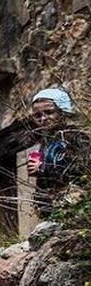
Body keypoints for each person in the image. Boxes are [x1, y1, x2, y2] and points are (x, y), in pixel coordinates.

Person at [26, 87, 90, 217]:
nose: (43, 119)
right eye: (37, 115)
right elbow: (44, 184)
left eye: (49, 112)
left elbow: (83, 170)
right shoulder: (45, 144)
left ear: (62, 112)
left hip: (76, 202)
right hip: (54, 206)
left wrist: (45, 167)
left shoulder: (76, 137)